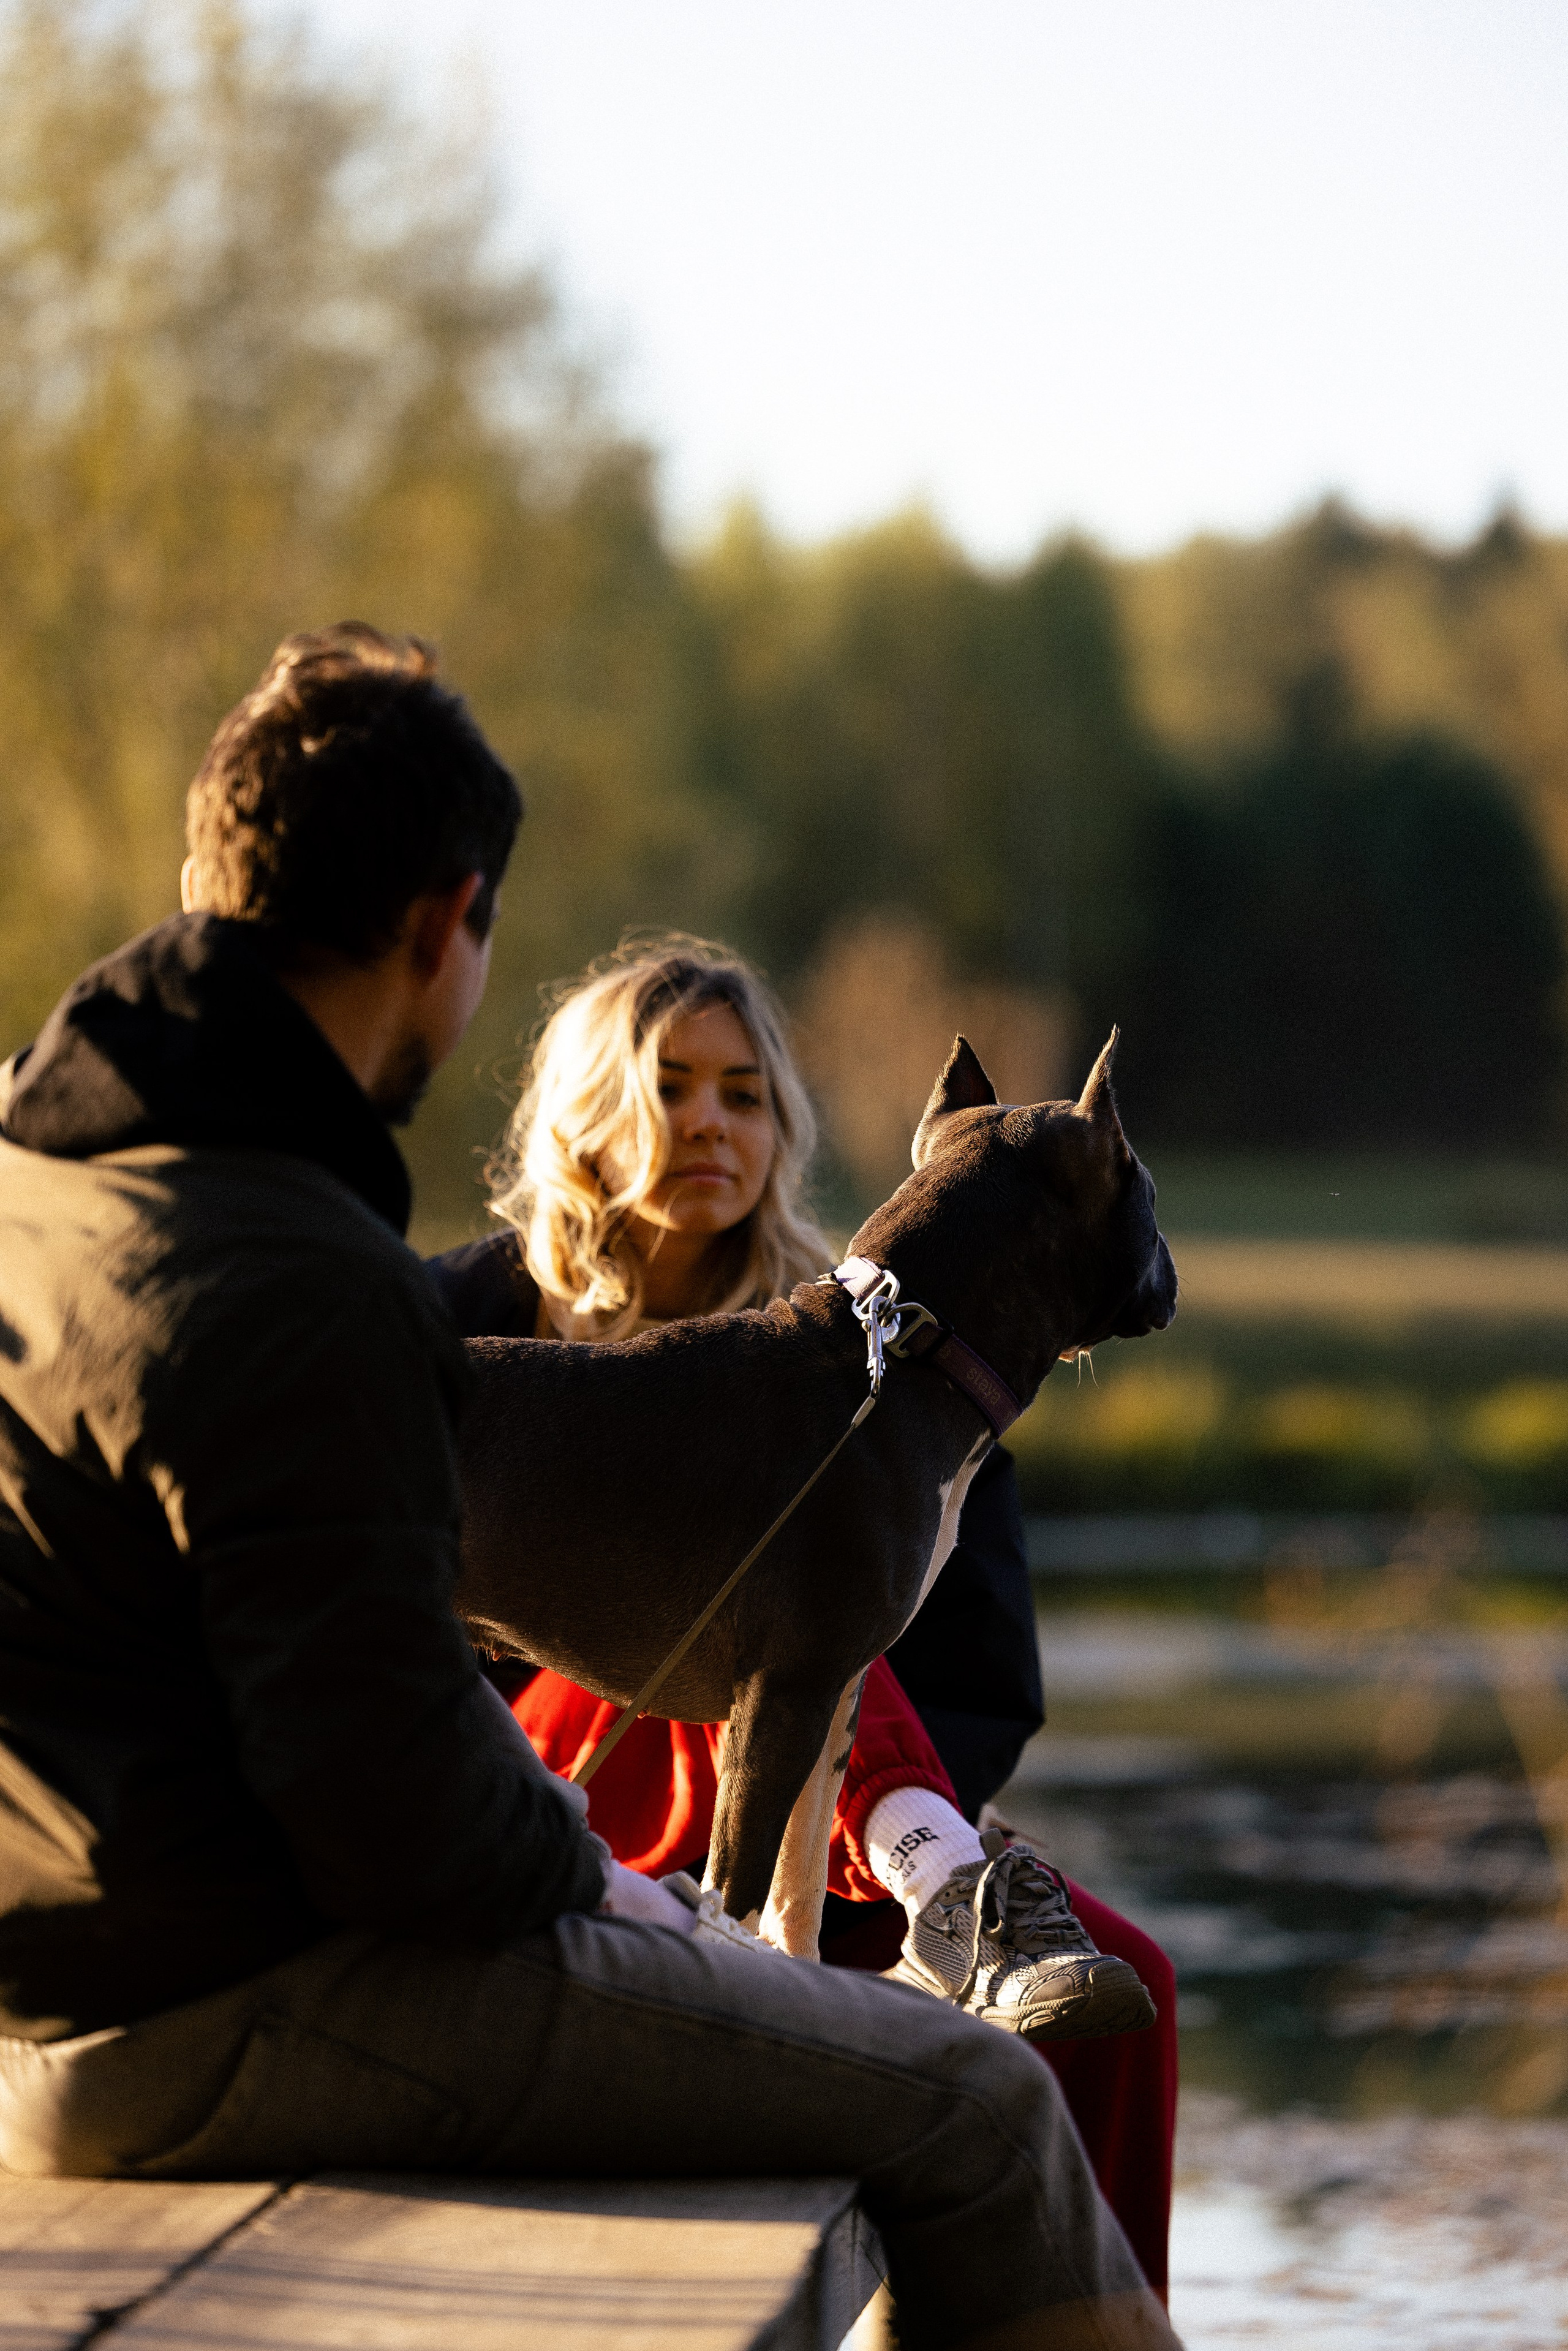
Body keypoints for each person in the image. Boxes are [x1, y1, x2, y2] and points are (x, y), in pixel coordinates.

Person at [0, 624, 1182, 2351]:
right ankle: (931, 1894)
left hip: (63, 1985)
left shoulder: (50, 1189)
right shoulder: (310, 1270)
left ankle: (919, 1870)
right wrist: (635, 1892)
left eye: (736, 1093)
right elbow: (404, 1810)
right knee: (977, 2100)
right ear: (445, 924)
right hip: (238, 2000)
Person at [431, 935, 1179, 2298]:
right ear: (581, 1112)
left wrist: (887, 1824)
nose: (712, 1118)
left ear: (785, 1126)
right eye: (670, 1084)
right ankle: (942, 1883)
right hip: (555, 1787)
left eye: (746, 1090)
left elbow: (978, 1683)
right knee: (814, 1588)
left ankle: (1061, 2315)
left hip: (825, 1843)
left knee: (1126, 1979)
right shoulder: (460, 1320)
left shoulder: (895, 1360)